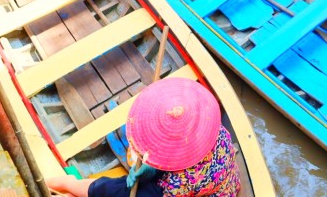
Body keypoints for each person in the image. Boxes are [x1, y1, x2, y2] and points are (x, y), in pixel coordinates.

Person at [47, 77, 241, 197]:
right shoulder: (215, 130)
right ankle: (69, 186)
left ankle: (68, 184)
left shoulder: (177, 185)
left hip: (203, 191)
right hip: (223, 185)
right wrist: (153, 167)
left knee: (111, 190)